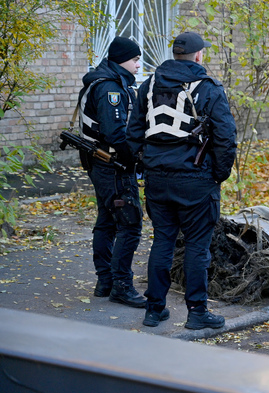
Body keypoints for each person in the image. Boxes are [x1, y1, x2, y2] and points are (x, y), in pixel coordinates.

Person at [128, 32, 237, 329]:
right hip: (195, 179)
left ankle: (154, 309)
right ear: (199, 56)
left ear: (176, 55)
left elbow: (133, 132)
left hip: (156, 179)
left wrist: (146, 163)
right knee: (197, 247)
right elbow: (226, 138)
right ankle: (197, 313)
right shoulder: (209, 88)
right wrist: (218, 174)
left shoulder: (148, 84)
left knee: (162, 240)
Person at [78, 36, 146, 308]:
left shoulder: (104, 81)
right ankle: (121, 285)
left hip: (101, 165)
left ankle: (105, 281)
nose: (139, 65)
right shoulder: (110, 89)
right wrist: (136, 160)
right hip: (113, 165)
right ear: (121, 60)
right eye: (135, 60)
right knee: (129, 223)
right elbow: (116, 134)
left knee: (107, 221)